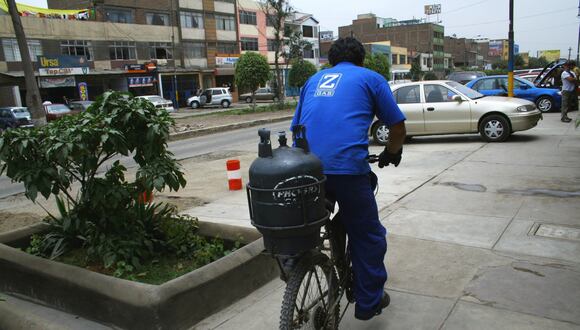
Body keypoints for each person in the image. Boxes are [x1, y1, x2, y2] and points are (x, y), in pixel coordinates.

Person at [290, 37, 407, 321]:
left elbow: (296, 128)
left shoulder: (312, 81)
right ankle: (368, 302)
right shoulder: (371, 79)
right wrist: (392, 152)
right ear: (361, 59)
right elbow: (397, 126)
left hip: (307, 170)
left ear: (331, 61)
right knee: (369, 235)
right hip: (348, 172)